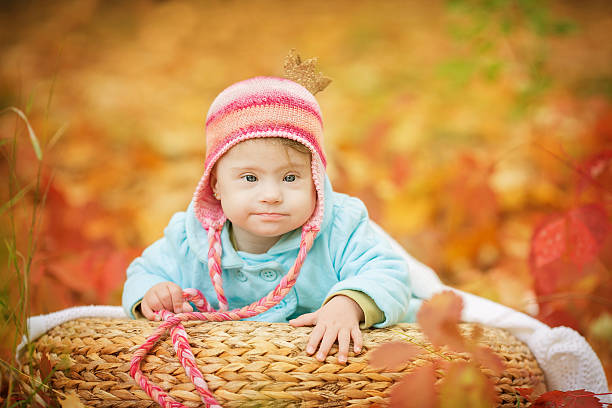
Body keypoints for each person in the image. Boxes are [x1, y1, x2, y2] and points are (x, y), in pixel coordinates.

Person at [122, 76, 420, 364]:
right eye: (250, 177)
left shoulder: (340, 228)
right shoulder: (192, 238)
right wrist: (153, 292)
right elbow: (143, 272)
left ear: (315, 179)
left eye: (290, 177)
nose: (271, 195)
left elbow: (389, 271)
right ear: (215, 183)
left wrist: (349, 304)